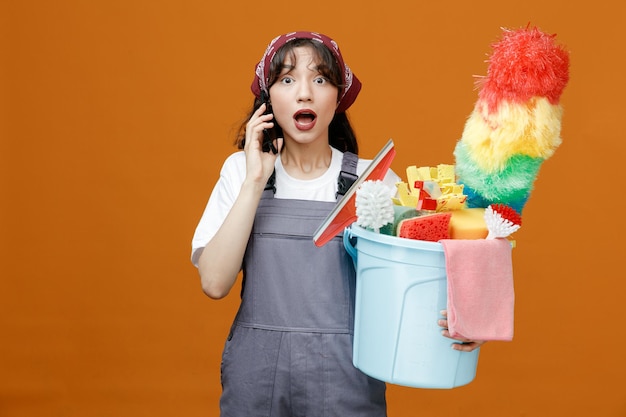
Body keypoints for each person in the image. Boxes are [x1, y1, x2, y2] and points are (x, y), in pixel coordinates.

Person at [191, 31, 483, 417]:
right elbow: (214, 283)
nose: (304, 93)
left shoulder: (374, 182)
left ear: (338, 98)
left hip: (346, 378)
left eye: (320, 79)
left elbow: (422, 270)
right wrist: (254, 181)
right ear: (268, 99)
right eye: (287, 79)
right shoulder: (241, 173)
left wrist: (468, 315)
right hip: (255, 378)